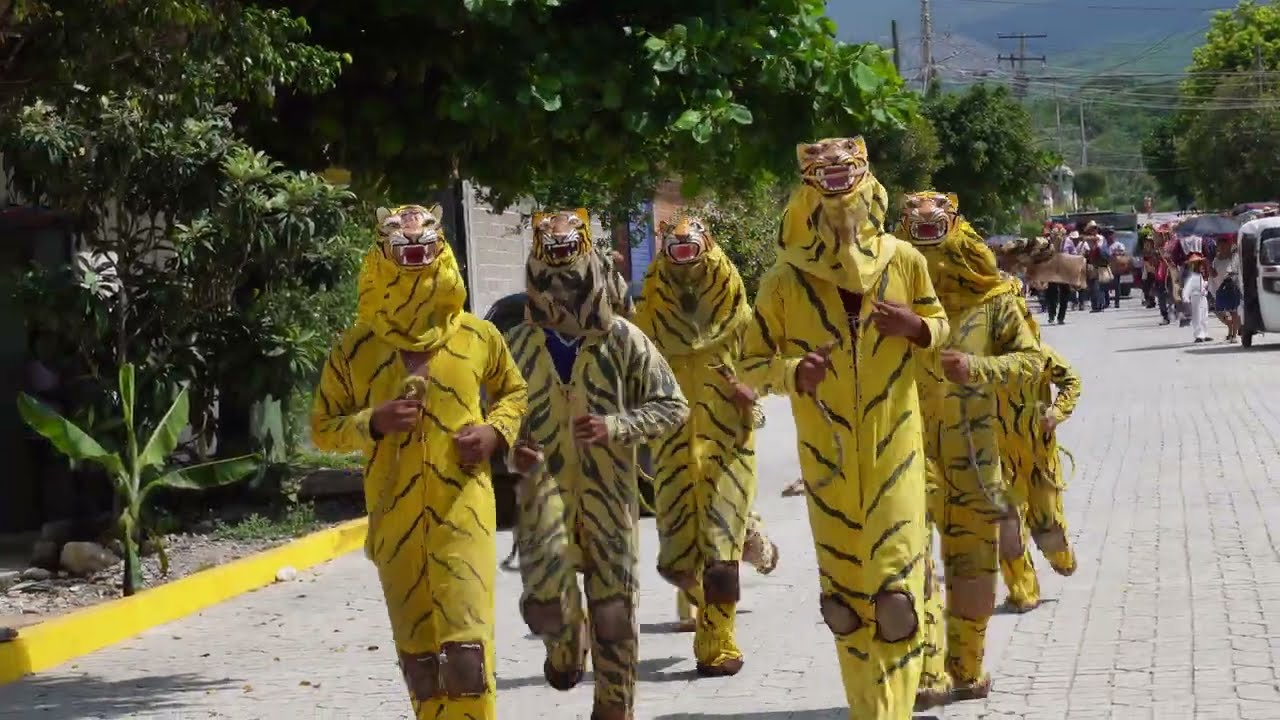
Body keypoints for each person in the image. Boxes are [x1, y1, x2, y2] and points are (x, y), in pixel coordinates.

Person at [739, 137, 949, 719]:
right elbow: (749, 362)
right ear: (808, 190)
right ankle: (867, 709)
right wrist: (791, 372)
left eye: (847, 175)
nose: (838, 192)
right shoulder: (784, 280)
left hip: (895, 449)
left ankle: (894, 712)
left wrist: (917, 327)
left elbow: (939, 324)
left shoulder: (903, 260)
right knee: (845, 605)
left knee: (897, 598)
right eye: (823, 179)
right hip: (826, 460)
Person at [313, 204, 528, 720]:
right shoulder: (355, 348)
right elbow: (322, 429)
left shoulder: (478, 336)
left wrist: (495, 433)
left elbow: (514, 393)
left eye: (424, 249)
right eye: (403, 249)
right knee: (420, 656)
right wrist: (372, 421)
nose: (415, 259)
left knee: (467, 651)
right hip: (395, 520)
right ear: (382, 257)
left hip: (464, 513)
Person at [504, 210, 688, 720]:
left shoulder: (624, 338)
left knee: (613, 613)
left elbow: (673, 406)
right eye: (549, 279)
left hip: (609, 500)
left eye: (570, 277)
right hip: (543, 503)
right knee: (545, 608)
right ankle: (564, 645)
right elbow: (494, 415)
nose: (560, 291)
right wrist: (509, 450)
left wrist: (617, 427)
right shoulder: (517, 345)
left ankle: (614, 708)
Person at [895, 191, 1041, 709]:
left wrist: (979, 369)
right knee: (912, 564)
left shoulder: (995, 302)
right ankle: (927, 668)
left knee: (973, 569)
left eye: (937, 229)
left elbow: (1032, 363)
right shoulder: (892, 308)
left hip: (977, 460)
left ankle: (966, 669)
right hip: (908, 456)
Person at [634, 214, 769, 677]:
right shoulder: (649, 317)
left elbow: (763, 367)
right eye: (676, 251)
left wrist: (752, 391)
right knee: (676, 562)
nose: (686, 261)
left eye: (693, 248)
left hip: (728, 442)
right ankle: (753, 538)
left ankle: (717, 645)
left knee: (717, 550)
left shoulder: (740, 317)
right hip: (672, 446)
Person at [996, 280, 1083, 612]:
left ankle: (1060, 554)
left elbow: (1071, 381)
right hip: (998, 457)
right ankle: (1022, 591)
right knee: (1007, 526)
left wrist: (1056, 412)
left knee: (1047, 525)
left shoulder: (1040, 355)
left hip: (1039, 454)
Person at [1211, 240, 1242, 342]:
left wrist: (1231, 275)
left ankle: (1233, 335)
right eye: (1220, 245)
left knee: (1233, 311)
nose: (1222, 247)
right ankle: (1230, 329)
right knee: (1221, 312)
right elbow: (1214, 274)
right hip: (1220, 288)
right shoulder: (1216, 259)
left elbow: (1237, 271)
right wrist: (1207, 264)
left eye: (1224, 245)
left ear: (1229, 245)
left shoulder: (1234, 257)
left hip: (1232, 286)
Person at [1182, 253, 1212, 343]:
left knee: (1204, 315)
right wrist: (1185, 297)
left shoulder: (1201, 276)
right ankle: (1198, 334)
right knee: (1197, 316)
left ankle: (1205, 333)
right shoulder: (1192, 276)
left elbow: (1203, 285)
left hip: (1203, 297)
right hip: (1195, 297)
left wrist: (1206, 285)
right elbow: (1187, 288)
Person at [1108, 233, 1127, 309]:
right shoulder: (1106, 245)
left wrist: (1116, 253)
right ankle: (1107, 302)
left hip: (1116, 266)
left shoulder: (1118, 244)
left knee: (1117, 285)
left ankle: (1117, 302)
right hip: (1109, 266)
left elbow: (1123, 252)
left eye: (1111, 236)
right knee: (1106, 284)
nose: (1110, 238)